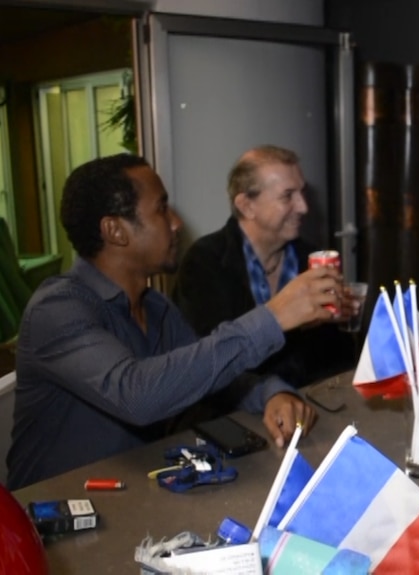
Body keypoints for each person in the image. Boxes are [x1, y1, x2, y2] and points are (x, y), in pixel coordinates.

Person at [7, 154, 343, 489]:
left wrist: (270, 394)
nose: (177, 222)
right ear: (115, 231)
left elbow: (207, 373)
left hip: (132, 499)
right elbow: (138, 396)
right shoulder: (58, 308)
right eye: (161, 208)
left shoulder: (154, 308)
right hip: (48, 523)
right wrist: (273, 317)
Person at [173, 146, 355, 396]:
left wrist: (346, 319)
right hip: (239, 418)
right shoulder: (205, 262)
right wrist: (294, 321)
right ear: (247, 206)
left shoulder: (310, 258)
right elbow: (209, 364)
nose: (303, 207)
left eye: (301, 193)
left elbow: (338, 361)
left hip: (313, 411)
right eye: (287, 196)